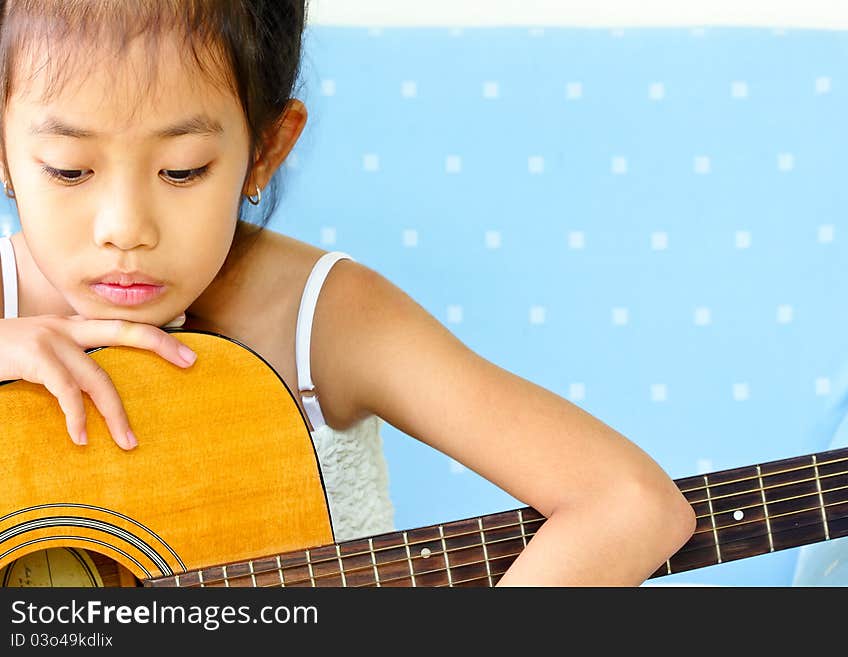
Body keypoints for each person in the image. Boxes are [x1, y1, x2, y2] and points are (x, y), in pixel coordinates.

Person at [0, 0, 695, 586]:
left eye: (182, 171)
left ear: (266, 150)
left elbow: (630, 502)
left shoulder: (324, 318)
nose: (126, 228)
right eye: (69, 169)